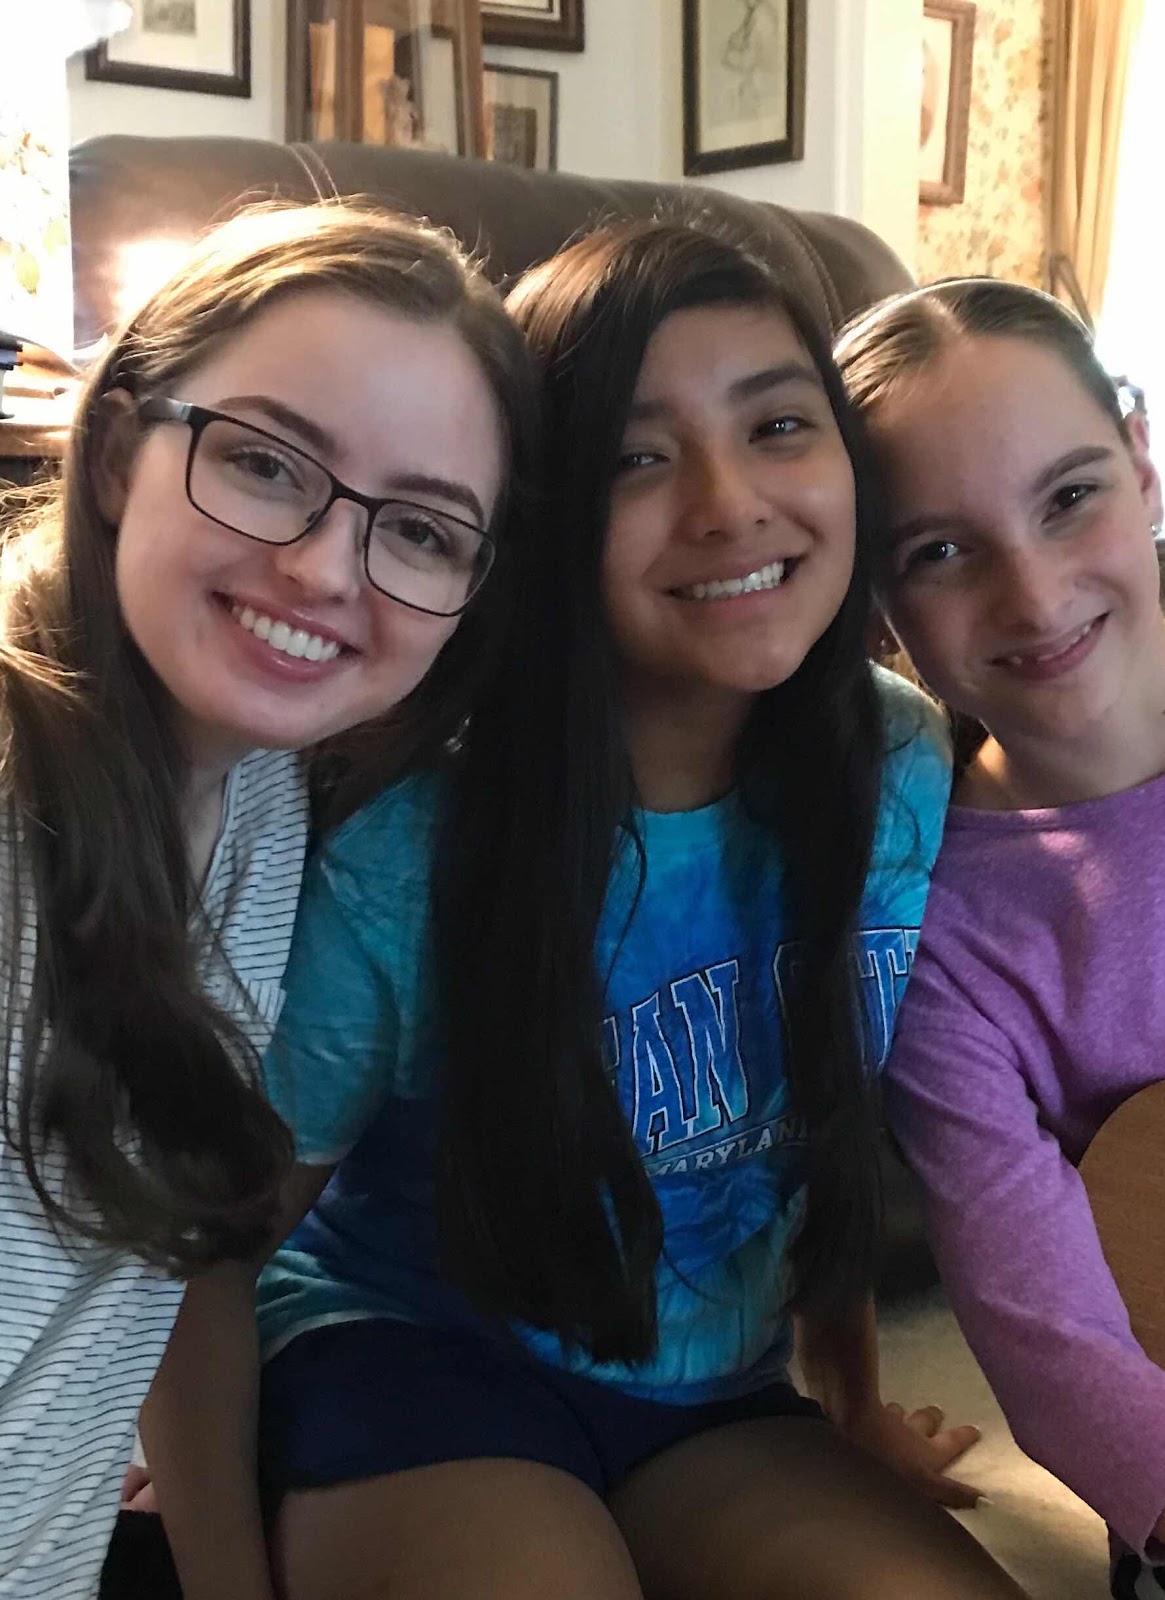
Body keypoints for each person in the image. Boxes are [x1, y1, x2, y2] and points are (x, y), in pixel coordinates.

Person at [211, 217, 1032, 1600]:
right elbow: (220, 1235)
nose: (726, 502)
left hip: (712, 1394)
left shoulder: (896, 757)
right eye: (635, 459)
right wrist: (205, 1515)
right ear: (537, 516)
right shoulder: (415, 834)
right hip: (410, 1355)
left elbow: (818, 1104)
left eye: (777, 425)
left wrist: (850, 1401)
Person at [0, 197, 535, 1600]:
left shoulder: (270, 799)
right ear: (117, 451)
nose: (322, 568)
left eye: (421, 532)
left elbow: (167, 1281)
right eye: (261, 462)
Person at [836, 277, 1165, 1600]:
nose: (1034, 595)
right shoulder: (938, 932)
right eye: (941, 551)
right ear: (880, 613)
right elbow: (1058, 1355)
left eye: (1069, 497)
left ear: (1142, 465)